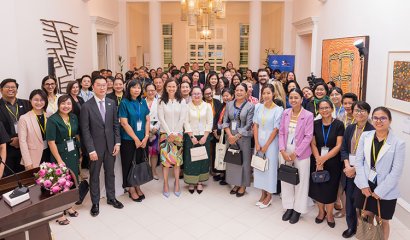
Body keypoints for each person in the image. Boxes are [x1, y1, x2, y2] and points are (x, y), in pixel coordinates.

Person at [354, 107, 405, 240]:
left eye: (383, 118)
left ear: (390, 121)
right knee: (366, 215)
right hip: (365, 184)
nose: (379, 121)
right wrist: (363, 185)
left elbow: (396, 172)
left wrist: (380, 191)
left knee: (382, 220)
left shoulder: (398, 143)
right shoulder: (365, 136)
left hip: (385, 189)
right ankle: (367, 238)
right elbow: (358, 162)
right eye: (376, 117)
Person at [80, 76, 123, 217]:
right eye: (99, 85)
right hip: (95, 149)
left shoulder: (111, 103)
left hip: (111, 146)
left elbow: (115, 125)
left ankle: (111, 198)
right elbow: (85, 130)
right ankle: (95, 202)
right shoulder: (86, 106)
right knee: (94, 175)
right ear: (93, 87)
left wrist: (117, 142)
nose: (102, 87)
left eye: (104, 85)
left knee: (110, 173)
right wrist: (90, 149)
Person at [339, 101, 374, 238]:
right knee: (349, 201)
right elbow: (344, 149)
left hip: (363, 172)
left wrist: (355, 169)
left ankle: (364, 229)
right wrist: (347, 166)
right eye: (356, 111)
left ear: (368, 113)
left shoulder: (372, 130)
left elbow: (370, 156)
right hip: (349, 169)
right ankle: (351, 227)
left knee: (361, 201)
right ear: (352, 112)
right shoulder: (349, 128)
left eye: (362, 110)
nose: (359, 113)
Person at [279, 88, 314, 224]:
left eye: (296, 97)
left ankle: (298, 209)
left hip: (301, 153)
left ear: (301, 99)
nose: (293, 100)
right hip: (285, 150)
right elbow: (281, 132)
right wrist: (282, 150)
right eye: (291, 97)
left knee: (301, 182)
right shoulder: (285, 113)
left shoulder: (308, 115)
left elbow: (308, 136)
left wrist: (296, 153)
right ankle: (288, 207)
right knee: (286, 179)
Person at [309, 99, 344, 228]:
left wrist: (324, 159)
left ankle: (329, 214)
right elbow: (312, 143)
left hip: (332, 162)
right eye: (322, 108)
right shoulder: (315, 123)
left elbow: (339, 145)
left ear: (332, 108)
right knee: (318, 187)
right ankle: (320, 212)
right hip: (317, 160)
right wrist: (318, 158)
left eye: (327, 108)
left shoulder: (339, 124)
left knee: (330, 189)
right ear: (319, 110)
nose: (324, 110)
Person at [46, 94, 81, 225]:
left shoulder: (73, 117)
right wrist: (59, 160)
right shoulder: (52, 119)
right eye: (63, 103)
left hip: (73, 153)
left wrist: (80, 151)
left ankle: (68, 206)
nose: (66, 106)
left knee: (71, 181)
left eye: (69, 104)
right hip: (59, 154)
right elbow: (51, 142)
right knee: (59, 184)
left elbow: (76, 135)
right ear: (58, 104)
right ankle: (59, 213)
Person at [119, 80, 150, 201]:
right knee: (129, 163)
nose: (137, 90)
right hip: (129, 140)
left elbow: (147, 119)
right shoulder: (124, 103)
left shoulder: (142, 101)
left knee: (139, 162)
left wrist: (146, 136)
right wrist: (136, 139)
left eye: (138, 88)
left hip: (143, 139)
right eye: (134, 87)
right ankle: (131, 188)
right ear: (129, 89)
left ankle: (138, 184)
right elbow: (124, 123)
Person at [253, 84, 283, 208]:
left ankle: (269, 195)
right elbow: (255, 125)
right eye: (264, 93)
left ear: (273, 94)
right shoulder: (258, 107)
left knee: (269, 168)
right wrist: (256, 143)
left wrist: (266, 145)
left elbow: (276, 129)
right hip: (259, 141)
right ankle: (262, 193)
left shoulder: (278, 109)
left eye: (268, 93)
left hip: (271, 143)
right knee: (259, 167)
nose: (266, 96)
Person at [222, 83, 255, 197]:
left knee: (244, 162)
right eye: (237, 90)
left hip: (244, 138)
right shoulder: (229, 104)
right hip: (230, 136)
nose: (239, 92)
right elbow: (225, 121)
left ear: (246, 92)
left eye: (241, 90)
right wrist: (230, 136)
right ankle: (236, 183)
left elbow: (248, 124)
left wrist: (236, 136)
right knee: (233, 160)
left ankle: (243, 185)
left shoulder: (250, 106)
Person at [157, 78, 188, 197]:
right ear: (165, 87)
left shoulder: (182, 101)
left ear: (177, 87)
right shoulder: (161, 101)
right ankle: (165, 183)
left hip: (178, 135)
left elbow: (182, 118)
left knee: (177, 161)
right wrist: (169, 133)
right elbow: (161, 118)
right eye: (169, 86)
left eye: (173, 86)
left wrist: (175, 133)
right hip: (165, 134)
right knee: (165, 162)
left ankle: (176, 183)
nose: (171, 88)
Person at [183, 87, 213, 194]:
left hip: (204, 136)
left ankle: (200, 182)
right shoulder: (187, 107)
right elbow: (185, 122)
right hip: (191, 136)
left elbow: (210, 122)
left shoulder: (207, 106)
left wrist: (205, 136)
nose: (197, 95)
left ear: (202, 94)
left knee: (202, 159)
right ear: (191, 95)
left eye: (199, 93)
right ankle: (191, 182)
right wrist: (192, 137)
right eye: (194, 93)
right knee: (191, 160)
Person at [0, 78, 31, 176]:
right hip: (7, 150)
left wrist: (21, 139)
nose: (10, 89)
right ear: (1, 90)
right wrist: (10, 140)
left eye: (13, 87)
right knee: (9, 179)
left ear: (17, 90)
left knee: (26, 177)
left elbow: (31, 124)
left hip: (25, 147)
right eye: (7, 87)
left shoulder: (26, 103)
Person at [18, 90, 51, 169]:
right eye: (36, 100)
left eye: (42, 100)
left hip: (50, 153)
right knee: (35, 180)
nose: (39, 102)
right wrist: (27, 162)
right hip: (34, 157)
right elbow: (22, 142)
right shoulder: (24, 118)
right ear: (30, 100)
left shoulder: (50, 115)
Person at [212, 88, 233, 185]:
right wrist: (215, 130)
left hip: (227, 133)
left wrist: (220, 131)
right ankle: (221, 172)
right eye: (224, 96)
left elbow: (229, 122)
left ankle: (227, 176)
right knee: (221, 153)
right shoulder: (221, 106)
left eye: (227, 95)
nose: (225, 97)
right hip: (219, 134)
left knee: (226, 155)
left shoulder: (232, 107)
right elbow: (216, 118)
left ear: (232, 96)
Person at [145, 83, 160, 180]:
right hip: (145, 129)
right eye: (149, 90)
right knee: (145, 152)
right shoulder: (141, 102)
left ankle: (154, 170)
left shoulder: (159, 102)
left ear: (155, 91)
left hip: (156, 129)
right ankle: (146, 171)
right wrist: (150, 128)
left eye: (153, 90)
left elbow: (162, 116)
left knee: (154, 152)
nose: (151, 92)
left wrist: (156, 128)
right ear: (145, 91)